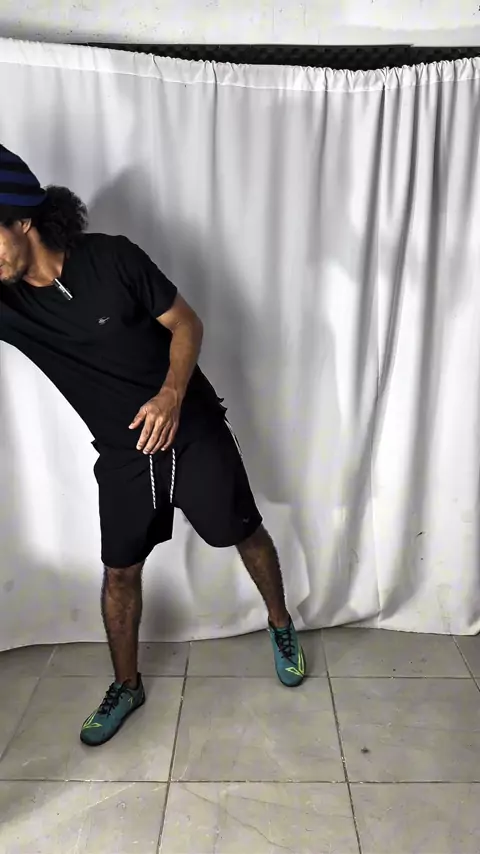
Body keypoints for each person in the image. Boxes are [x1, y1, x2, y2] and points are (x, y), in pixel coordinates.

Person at [0, 143, 306, 747]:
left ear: (23, 220)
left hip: (188, 425)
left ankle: (280, 622)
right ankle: (127, 685)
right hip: (122, 453)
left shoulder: (112, 258)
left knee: (240, 530)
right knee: (120, 571)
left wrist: (170, 395)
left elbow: (187, 324)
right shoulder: (7, 301)